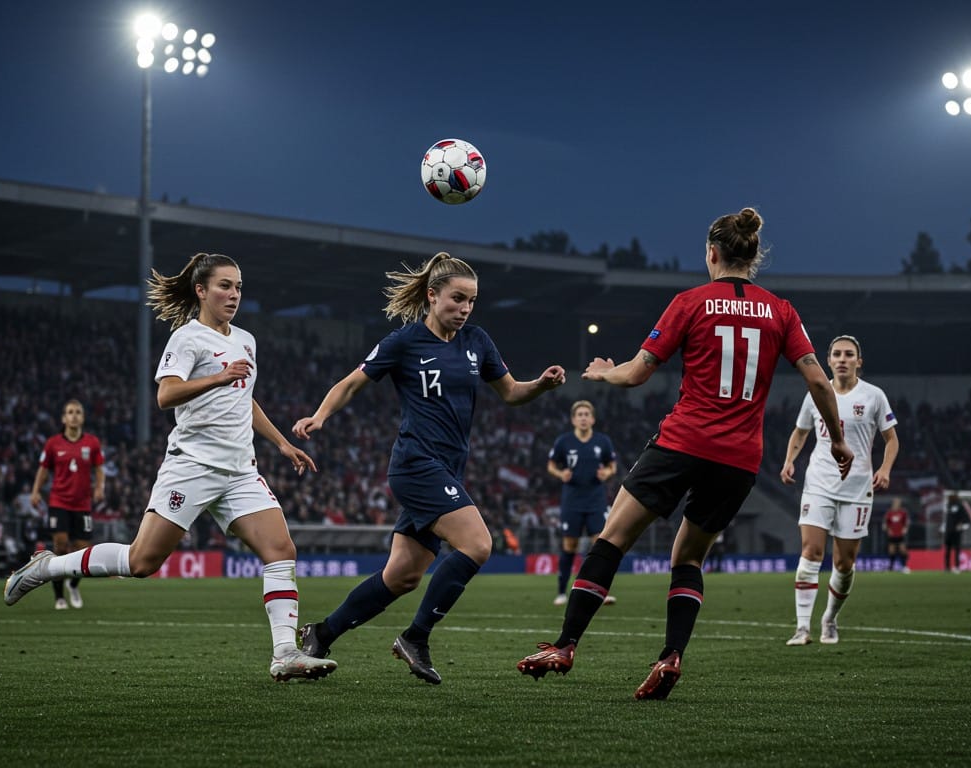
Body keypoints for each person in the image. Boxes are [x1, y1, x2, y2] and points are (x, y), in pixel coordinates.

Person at [516, 207, 853, 700]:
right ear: (753, 256)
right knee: (688, 556)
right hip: (739, 458)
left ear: (711, 254)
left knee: (612, 538)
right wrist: (838, 438)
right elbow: (819, 379)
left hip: (682, 442)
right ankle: (671, 655)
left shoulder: (691, 302)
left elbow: (635, 374)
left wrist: (603, 371)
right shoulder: (781, 311)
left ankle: (565, 646)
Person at [4, 252, 336, 683]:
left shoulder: (247, 340)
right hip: (192, 467)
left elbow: (244, 397)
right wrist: (218, 377)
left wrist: (281, 443)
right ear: (201, 290)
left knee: (280, 550)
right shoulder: (187, 338)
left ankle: (285, 653)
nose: (233, 294)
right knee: (142, 562)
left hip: (239, 470)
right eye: (224, 286)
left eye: (238, 287)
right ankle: (46, 567)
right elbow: (166, 395)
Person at [292, 252, 565, 685]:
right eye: (457, 298)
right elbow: (351, 382)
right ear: (433, 295)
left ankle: (320, 634)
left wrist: (542, 385)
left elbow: (511, 393)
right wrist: (320, 416)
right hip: (416, 464)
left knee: (401, 576)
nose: (465, 308)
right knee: (477, 545)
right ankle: (415, 637)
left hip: (448, 469)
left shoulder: (477, 340)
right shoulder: (404, 341)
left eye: (472, 301)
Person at [778, 334, 899, 645]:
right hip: (818, 483)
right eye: (837, 354)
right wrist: (790, 460)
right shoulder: (816, 393)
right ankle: (802, 628)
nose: (842, 359)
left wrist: (884, 469)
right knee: (811, 552)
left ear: (859, 361)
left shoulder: (874, 396)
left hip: (857, 487)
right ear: (828, 360)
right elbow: (800, 431)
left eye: (849, 354)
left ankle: (829, 618)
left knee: (844, 564)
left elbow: (892, 439)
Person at [30, 399, 105, 611]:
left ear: (82, 417)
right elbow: (43, 470)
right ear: (64, 418)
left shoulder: (92, 443)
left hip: (82, 504)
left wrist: (100, 488)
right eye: (70, 412)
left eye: (78, 412)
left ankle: (73, 585)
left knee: (82, 550)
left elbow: (99, 469)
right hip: (59, 502)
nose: (74, 415)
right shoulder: (53, 443)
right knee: (61, 546)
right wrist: (35, 491)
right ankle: (59, 597)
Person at [546, 400, 618, 605]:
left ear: (593, 419)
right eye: (580, 414)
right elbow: (551, 465)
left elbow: (612, 465)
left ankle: (599, 591)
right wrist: (561, 473)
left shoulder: (602, 441)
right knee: (570, 545)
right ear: (573, 419)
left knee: (599, 545)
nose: (584, 417)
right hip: (572, 501)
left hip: (596, 500)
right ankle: (561, 592)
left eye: (587, 414)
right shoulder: (564, 441)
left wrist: (607, 472)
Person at [941, 491, 971, 573]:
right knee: (947, 550)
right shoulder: (947, 506)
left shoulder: (960, 506)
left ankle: (957, 567)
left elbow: (967, 519)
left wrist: (962, 526)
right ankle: (947, 567)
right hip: (948, 532)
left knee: (957, 550)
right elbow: (946, 519)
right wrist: (943, 527)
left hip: (956, 532)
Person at [883, 498, 910, 573]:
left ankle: (904, 567)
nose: (896, 504)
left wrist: (905, 528)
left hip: (900, 534)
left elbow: (906, 522)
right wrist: (888, 529)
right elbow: (885, 523)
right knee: (891, 551)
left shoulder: (903, 512)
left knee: (903, 550)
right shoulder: (889, 513)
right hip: (892, 535)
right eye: (895, 502)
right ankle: (891, 568)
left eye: (898, 503)